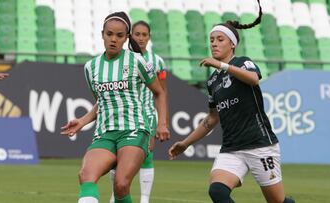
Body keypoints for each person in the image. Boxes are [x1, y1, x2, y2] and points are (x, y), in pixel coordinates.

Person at [168, 1, 295, 203]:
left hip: (259, 145)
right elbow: (211, 119)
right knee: (217, 191)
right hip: (232, 148)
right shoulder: (212, 81)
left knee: (278, 202)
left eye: (220, 39)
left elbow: (253, 79)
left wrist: (222, 65)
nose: (214, 43)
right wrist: (185, 143)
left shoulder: (242, 62)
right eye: (211, 40)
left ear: (232, 44)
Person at [61, 11, 170, 203]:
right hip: (105, 133)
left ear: (126, 38)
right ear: (102, 34)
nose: (113, 39)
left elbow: (159, 92)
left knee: (120, 184)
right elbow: (102, 102)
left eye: (119, 36)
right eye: (109, 34)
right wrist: (82, 121)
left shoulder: (138, 61)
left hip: (134, 130)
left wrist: (161, 123)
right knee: (86, 176)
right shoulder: (91, 67)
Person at [109, 20, 168, 203]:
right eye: (137, 34)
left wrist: (162, 122)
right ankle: (115, 195)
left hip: (147, 114)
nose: (141, 38)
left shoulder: (157, 62)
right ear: (130, 36)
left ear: (149, 37)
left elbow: (162, 92)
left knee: (146, 156)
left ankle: (144, 199)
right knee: (115, 157)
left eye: (144, 35)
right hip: (123, 115)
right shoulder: (121, 58)